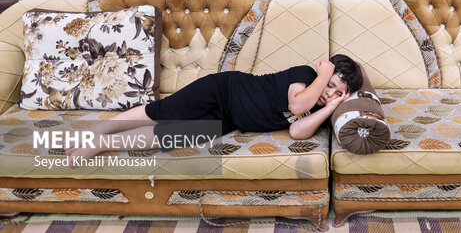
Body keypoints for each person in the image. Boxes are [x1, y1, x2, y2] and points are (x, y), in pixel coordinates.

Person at [65, 55, 362, 166]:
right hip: (224, 89)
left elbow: (297, 131)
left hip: (228, 120)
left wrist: (333, 105)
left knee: (173, 136)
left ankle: (104, 143)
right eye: (331, 86)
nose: (329, 94)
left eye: (338, 93)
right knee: (163, 112)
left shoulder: (320, 109)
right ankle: (96, 131)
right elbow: (297, 104)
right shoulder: (308, 75)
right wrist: (324, 74)